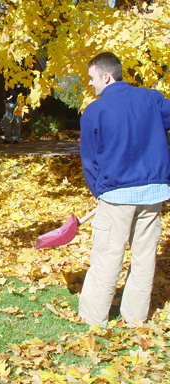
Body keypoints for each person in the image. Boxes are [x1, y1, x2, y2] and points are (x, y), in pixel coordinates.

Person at [79, 52, 170, 327]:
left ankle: (94, 319)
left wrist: (100, 191)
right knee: (144, 257)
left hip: (116, 195)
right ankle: (135, 318)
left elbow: (89, 159)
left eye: (92, 78)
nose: (91, 85)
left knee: (107, 256)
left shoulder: (94, 111)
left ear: (107, 76)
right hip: (153, 193)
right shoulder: (152, 99)